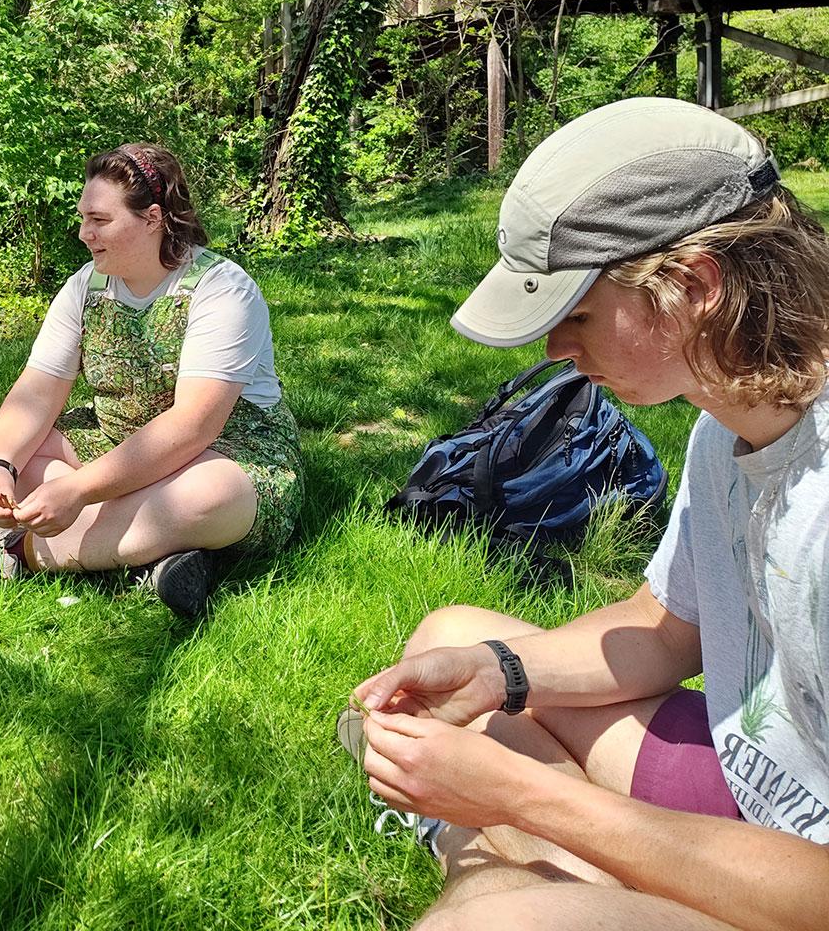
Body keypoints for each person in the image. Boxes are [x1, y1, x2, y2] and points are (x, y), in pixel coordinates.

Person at [349, 97, 829, 930]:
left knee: (494, 916)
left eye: (575, 313)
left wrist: (523, 798)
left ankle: (509, 878)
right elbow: (668, 627)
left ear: (693, 289)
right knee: (451, 638)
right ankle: (559, 885)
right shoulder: (728, 420)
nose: (554, 352)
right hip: (753, 782)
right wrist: (501, 672)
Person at [0, 142, 304, 617]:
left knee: (207, 497)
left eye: (99, 220)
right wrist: (2, 469)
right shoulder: (84, 288)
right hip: (116, 441)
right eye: (83, 218)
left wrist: (77, 490)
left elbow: (193, 427)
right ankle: (153, 560)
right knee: (4, 452)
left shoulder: (222, 290)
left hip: (229, 453)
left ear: (153, 218)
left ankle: (6, 554)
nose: (83, 233)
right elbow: (35, 393)